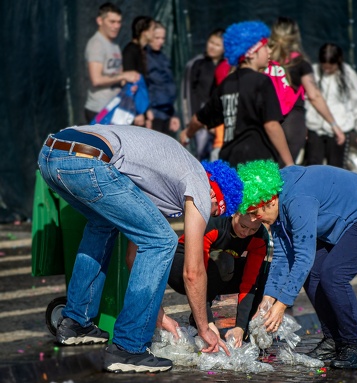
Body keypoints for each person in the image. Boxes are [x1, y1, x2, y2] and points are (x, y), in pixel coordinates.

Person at [37, 126, 243, 373]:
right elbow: (193, 271)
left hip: (51, 154)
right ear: (214, 193)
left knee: (103, 224)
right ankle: (128, 348)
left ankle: (76, 322)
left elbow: (133, 256)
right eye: (215, 212)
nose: (207, 218)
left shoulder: (164, 180)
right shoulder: (199, 181)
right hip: (88, 159)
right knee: (163, 240)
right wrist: (204, 327)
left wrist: (160, 316)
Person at [237, 160, 357, 369]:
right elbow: (281, 255)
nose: (254, 220)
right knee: (315, 272)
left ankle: (354, 346)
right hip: (356, 216)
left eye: (256, 214)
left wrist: (282, 305)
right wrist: (268, 299)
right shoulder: (277, 197)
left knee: (334, 274)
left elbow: (303, 257)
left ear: (270, 201)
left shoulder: (298, 200)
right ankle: (334, 339)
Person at [180, 21, 294, 168]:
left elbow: (200, 118)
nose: (269, 52)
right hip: (258, 167)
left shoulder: (226, 84)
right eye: (265, 46)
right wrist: (290, 163)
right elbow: (272, 125)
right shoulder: (262, 82)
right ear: (252, 53)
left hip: (230, 166)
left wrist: (187, 133)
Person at [159, 213, 269, 348]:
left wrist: (240, 326)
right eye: (243, 226)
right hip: (182, 268)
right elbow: (196, 276)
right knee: (224, 262)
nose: (246, 233)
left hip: (216, 273)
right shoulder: (214, 224)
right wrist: (207, 323)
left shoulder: (260, 237)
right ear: (235, 214)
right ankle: (199, 318)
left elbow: (249, 283)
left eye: (253, 229)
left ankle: (248, 329)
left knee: (266, 270)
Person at [269, 17, 345, 161]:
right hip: (291, 121)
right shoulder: (300, 63)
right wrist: (334, 125)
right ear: (295, 37)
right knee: (285, 174)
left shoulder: (263, 61)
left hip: (266, 121)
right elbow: (314, 96)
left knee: (262, 174)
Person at [305, 43, 357, 168]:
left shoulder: (349, 74)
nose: (327, 70)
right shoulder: (313, 72)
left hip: (340, 130)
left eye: (330, 67)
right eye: (324, 67)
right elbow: (307, 100)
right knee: (312, 168)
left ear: (338, 62)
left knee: (336, 169)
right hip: (315, 129)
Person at [84, 3, 140, 124]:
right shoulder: (96, 44)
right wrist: (124, 75)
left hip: (114, 108)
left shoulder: (115, 45)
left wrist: (129, 85)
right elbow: (96, 80)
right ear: (100, 21)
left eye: (119, 22)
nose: (116, 26)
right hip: (99, 110)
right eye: (112, 22)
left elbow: (118, 76)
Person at [181, 28, 227, 159]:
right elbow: (187, 95)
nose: (212, 47)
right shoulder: (196, 64)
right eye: (211, 42)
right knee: (199, 158)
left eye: (217, 45)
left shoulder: (227, 66)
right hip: (199, 122)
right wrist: (192, 122)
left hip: (219, 123)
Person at [145, 21, 180, 135]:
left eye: (163, 38)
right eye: (157, 37)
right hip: (153, 114)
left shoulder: (163, 58)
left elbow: (169, 85)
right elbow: (144, 86)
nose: (160, 41)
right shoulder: (144, 58)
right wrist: (146, 111)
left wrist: (173, 114)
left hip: (167, 113)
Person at [122, 15, 155, 127]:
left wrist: (147, 110)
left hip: (143, 109)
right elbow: (130, 84)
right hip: (134, 113)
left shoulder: (143, 51)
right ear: (144, 32)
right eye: (152, 29)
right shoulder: (130, 51)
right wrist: (137, 112)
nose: (154, 33)